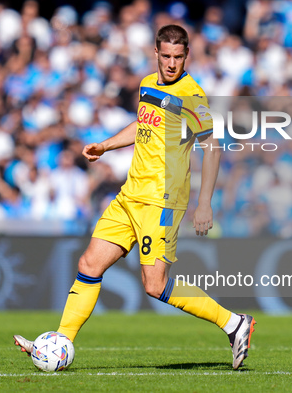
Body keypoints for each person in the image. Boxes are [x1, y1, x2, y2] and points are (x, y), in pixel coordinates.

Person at [13, 24, 256, 370]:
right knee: (89, 265)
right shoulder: (146, 85)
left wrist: (205, 203)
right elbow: (143, 124)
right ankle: (61, 341)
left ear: (186, 56)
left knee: (154, 285)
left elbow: (212, 148)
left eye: (178, 57)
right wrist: (106, 145)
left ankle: (234, 324)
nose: (171, 64)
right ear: (155, 53)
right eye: (166, 56)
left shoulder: (192, 96)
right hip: (130, 195)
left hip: (162, 200)